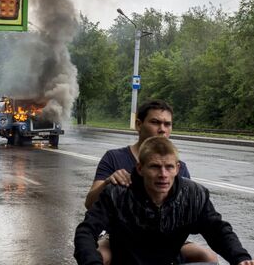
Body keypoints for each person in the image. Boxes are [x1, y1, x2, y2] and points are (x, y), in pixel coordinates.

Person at [74, 136, 254, 265]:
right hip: (126, 260)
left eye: (169, 167)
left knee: (209, 259)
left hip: (169, 259)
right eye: (155, 167)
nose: (163, 175)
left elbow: (218, 230)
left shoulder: (194, 195)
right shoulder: (117, 194)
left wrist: (240, 258)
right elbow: (86, 231)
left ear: (177, 168)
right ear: (140, 168)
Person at [84, 99, 217, 264]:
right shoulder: (114, 157)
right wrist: (108, 183)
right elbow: (90, 204)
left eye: (167, 124)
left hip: (165, 237)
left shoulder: (178, 167)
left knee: (208, 257)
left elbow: (185, 208)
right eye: (155, 122)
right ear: (139, 124)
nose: (162, 129)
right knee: (100, 257)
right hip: (120, 235)